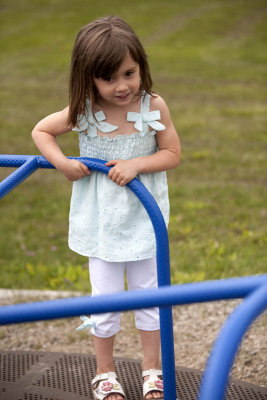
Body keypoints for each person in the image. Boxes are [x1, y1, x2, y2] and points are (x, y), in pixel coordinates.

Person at [32, 15, 180, 400]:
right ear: (89, 76)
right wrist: (63, 164)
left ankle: (152, 370)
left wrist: (136, 165)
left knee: (151, 298)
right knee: (107, 302)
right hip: (101, 225)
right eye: (109, 78)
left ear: (140, 65)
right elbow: (41, 131)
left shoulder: (153, 106)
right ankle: (105, 373)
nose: (123, 86)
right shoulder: (83, 112)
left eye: (129, 73)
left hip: (145, 221)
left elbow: (172, 153)